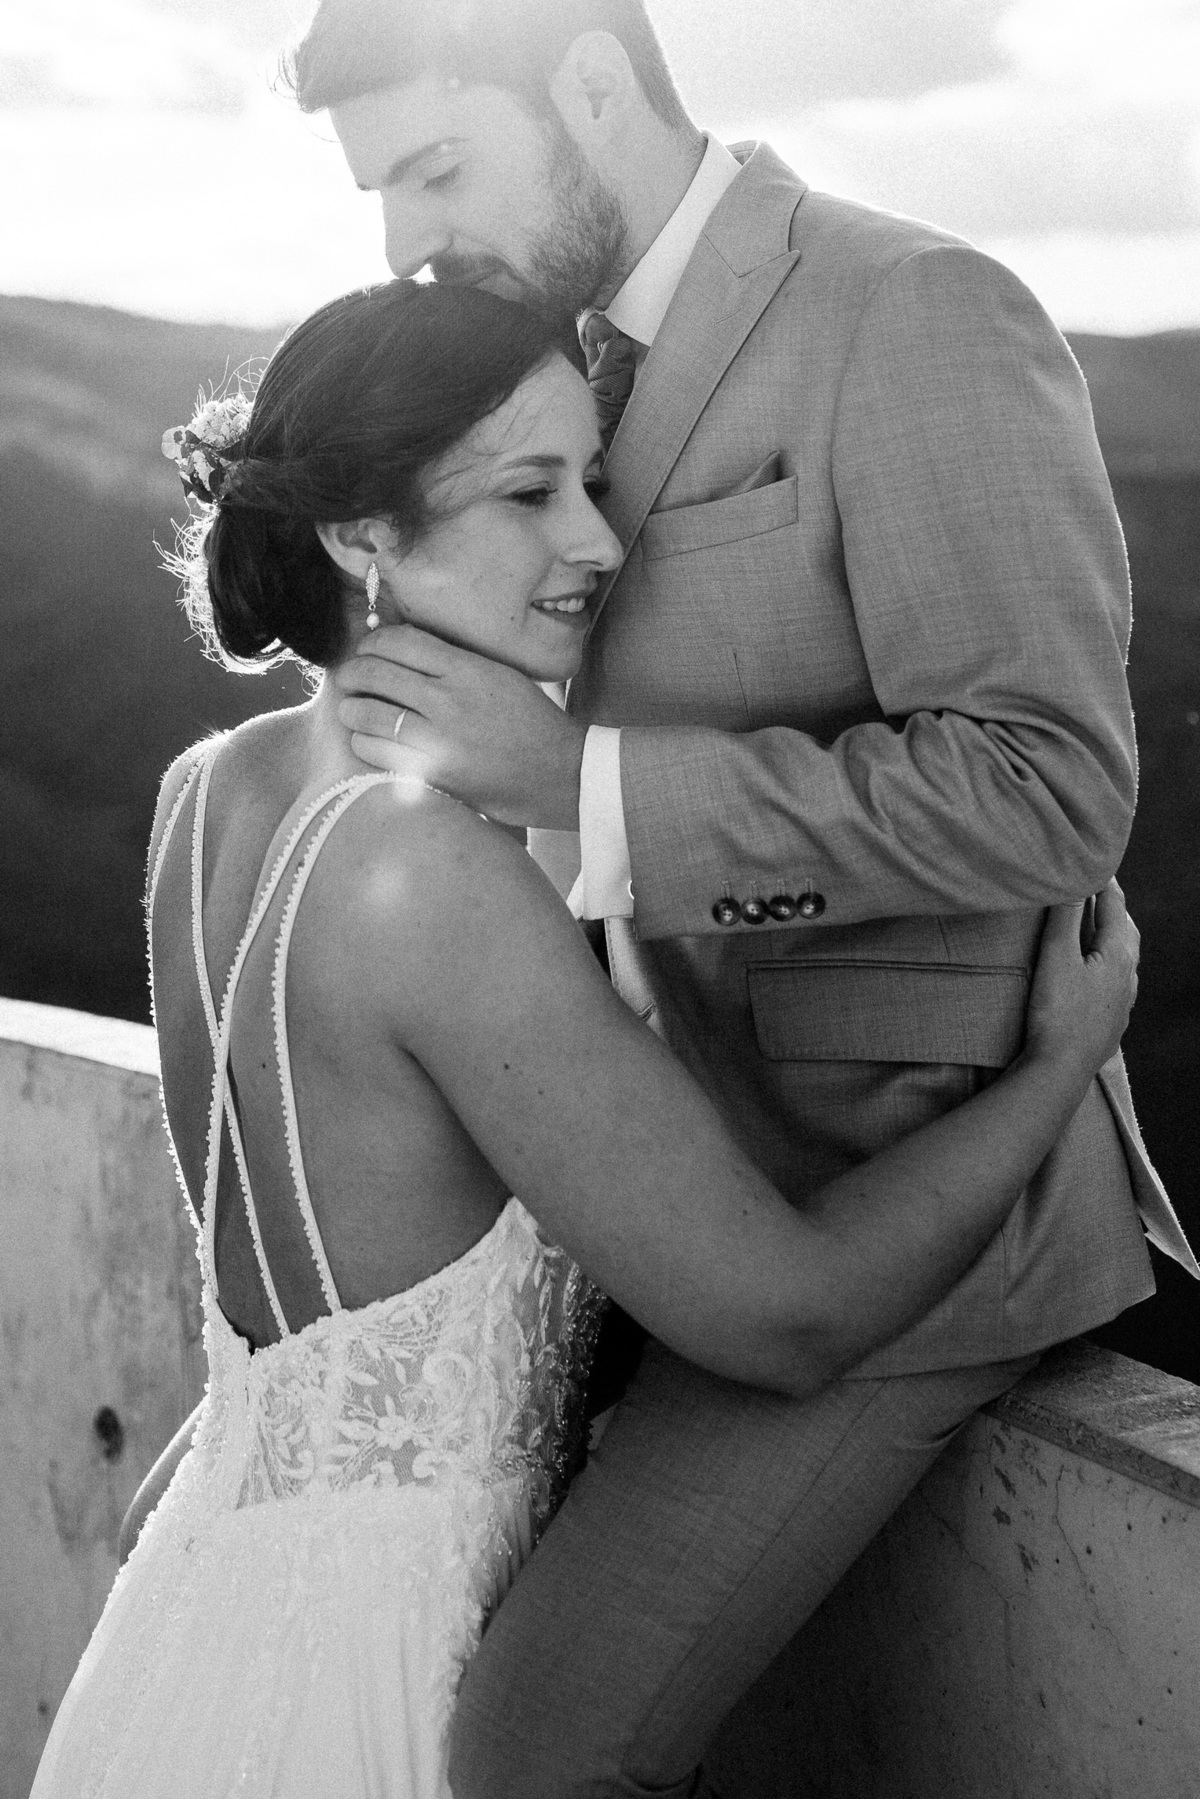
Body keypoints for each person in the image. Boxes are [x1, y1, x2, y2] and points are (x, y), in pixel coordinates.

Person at [33, 278, 1140, 1799]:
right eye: (528, 491)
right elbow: (786, 1317)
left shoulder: (206, 794)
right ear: (361, 536)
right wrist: (1057, 1064)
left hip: (196, 1633)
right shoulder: (426, 876)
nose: (602, 541)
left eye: (595, 482)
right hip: (382, 1676)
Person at [289, 2, 1200, 1794]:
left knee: (531, 1747)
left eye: (438, 167)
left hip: (892, 1192)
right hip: (643, 1197)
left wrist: (586, 785)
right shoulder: (540, 356)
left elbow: (1049, 788)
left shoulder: (912, 310)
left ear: (593, 83)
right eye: (380, 189)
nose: (405, 239)